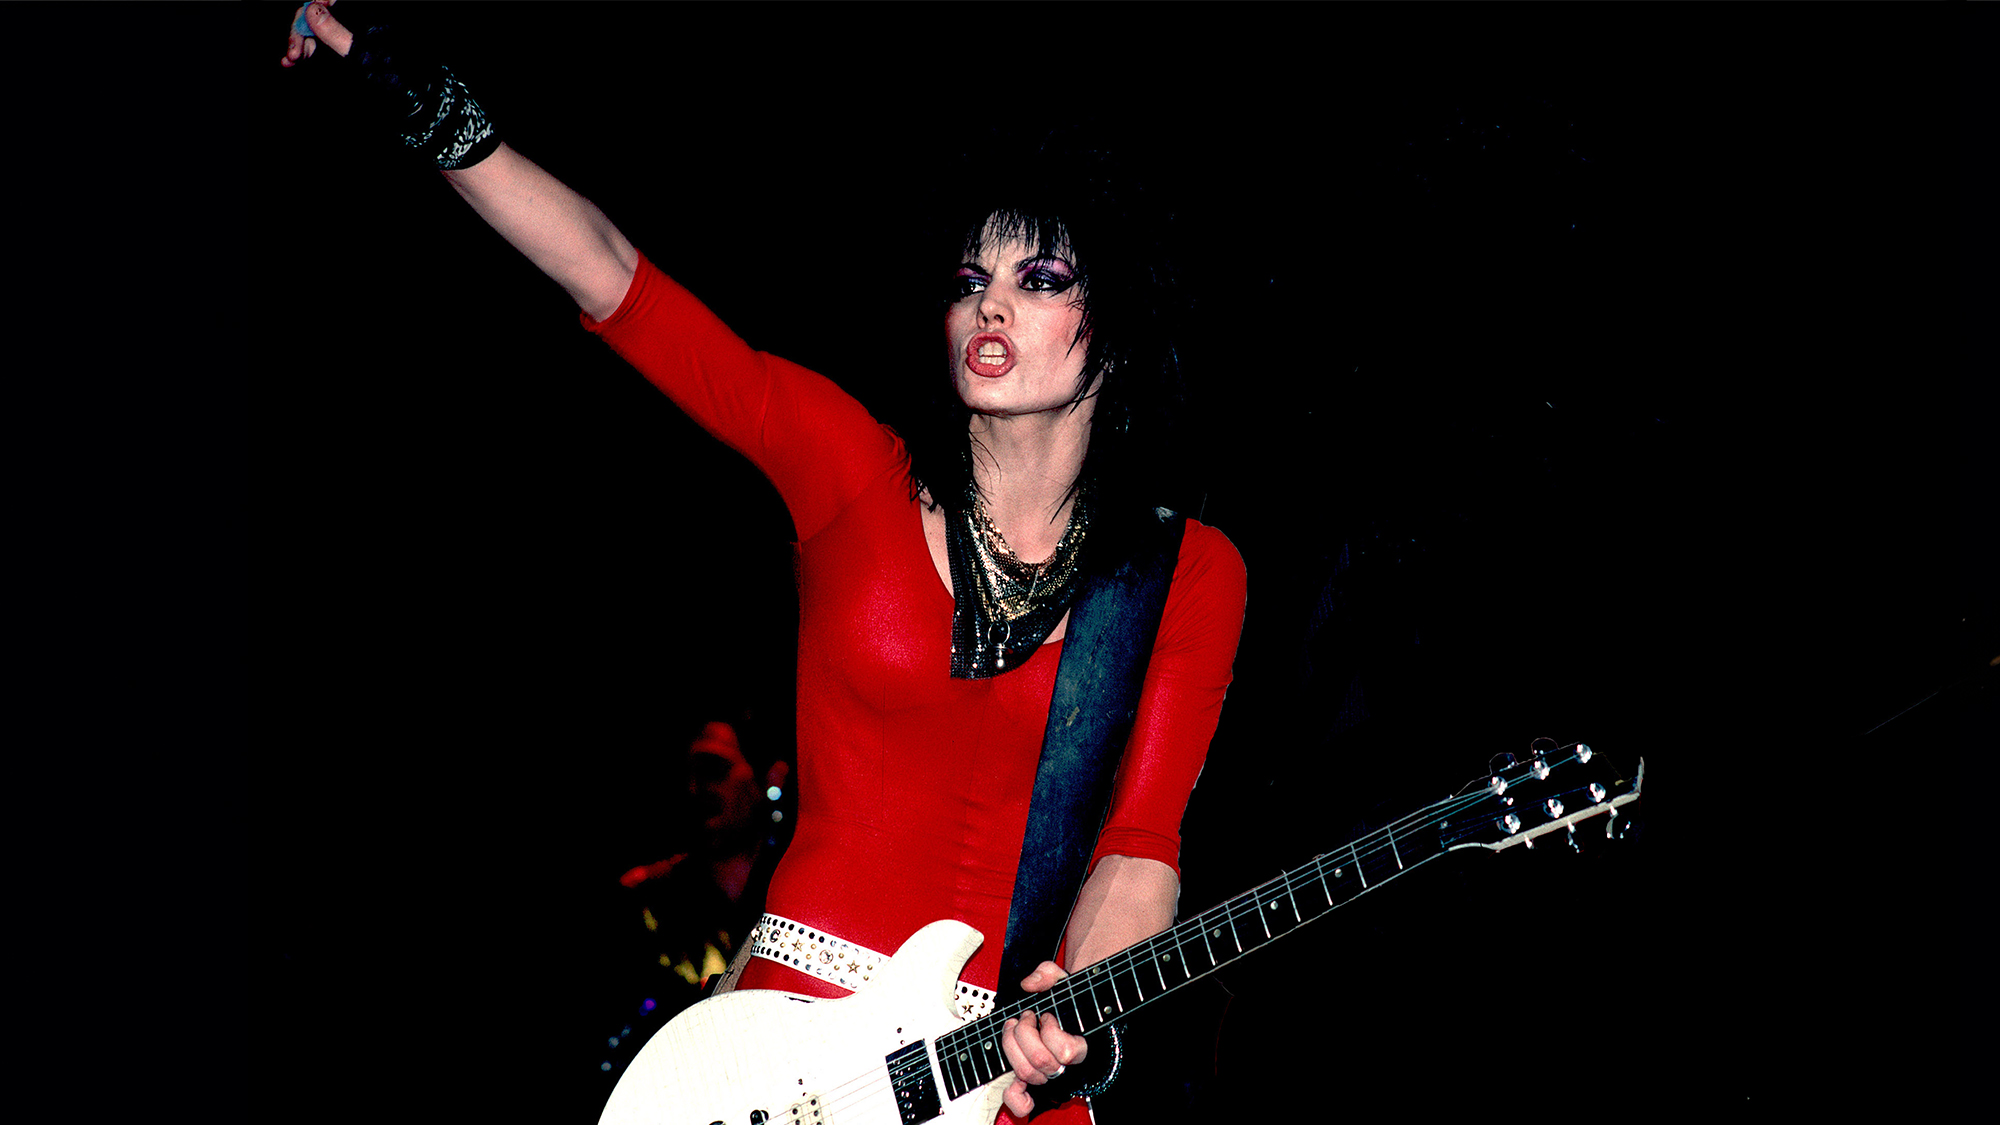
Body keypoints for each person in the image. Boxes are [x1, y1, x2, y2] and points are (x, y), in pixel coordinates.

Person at [281, 6, 1246, 1121]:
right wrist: (398, 78)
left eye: (1039, 278)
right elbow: (613, 278)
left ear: (1115, 331)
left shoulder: (1188, 574)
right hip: (782, 1057)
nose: (989, 301)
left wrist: (1077, 999)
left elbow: (1137, 850)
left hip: (1004, 1080)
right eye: (968, 276)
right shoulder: (850, 471)